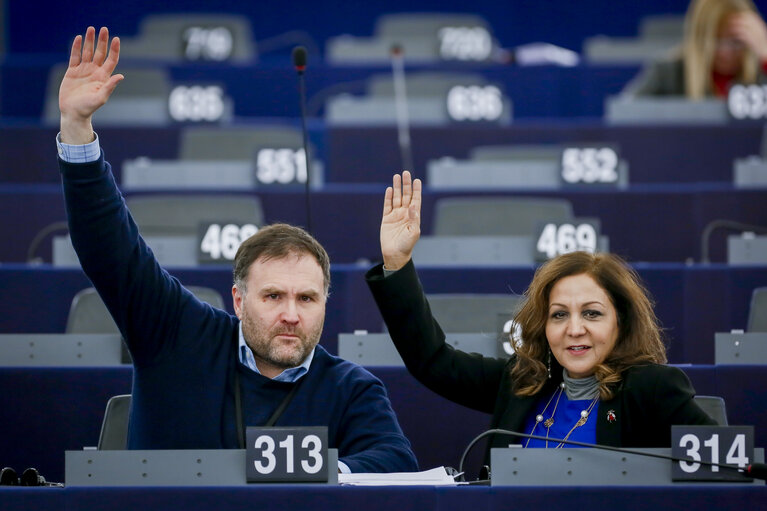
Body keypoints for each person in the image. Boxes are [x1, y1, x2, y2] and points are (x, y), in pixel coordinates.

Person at [57, 26, 417, 474]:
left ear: (326, 303)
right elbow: (110, 251)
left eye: (306, 298)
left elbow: (395, 461)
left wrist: (323, 475)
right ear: (238, 299)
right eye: (273, 296)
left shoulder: (352, 388)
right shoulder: (177, 335)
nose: (291, 313)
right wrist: (76, 127)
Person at [366, 172, 715, 460]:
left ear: (620, 322)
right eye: (559, 315)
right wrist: (397, 264)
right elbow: (433, 360)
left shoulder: (653, 388)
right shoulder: (522, 380)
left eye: (592, 314)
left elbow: (728, 469)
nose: (574, 329)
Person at [623, 0, 767, 98]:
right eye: (716, 41)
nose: (726, 53)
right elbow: (624, 118)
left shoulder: (762, 72)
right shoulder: (669, 74)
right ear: (699, 39)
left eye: (735, 42)